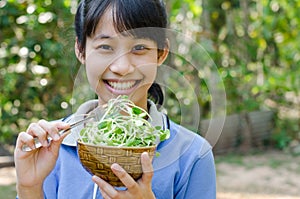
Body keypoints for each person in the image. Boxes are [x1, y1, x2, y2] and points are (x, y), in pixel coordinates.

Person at [14, 0, 216, 198]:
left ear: (161, 53)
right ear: (81, 50)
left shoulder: (193, 156)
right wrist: (29, 188)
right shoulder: (51, 148)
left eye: (139, 48)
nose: (121, 67)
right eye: (105, 47)